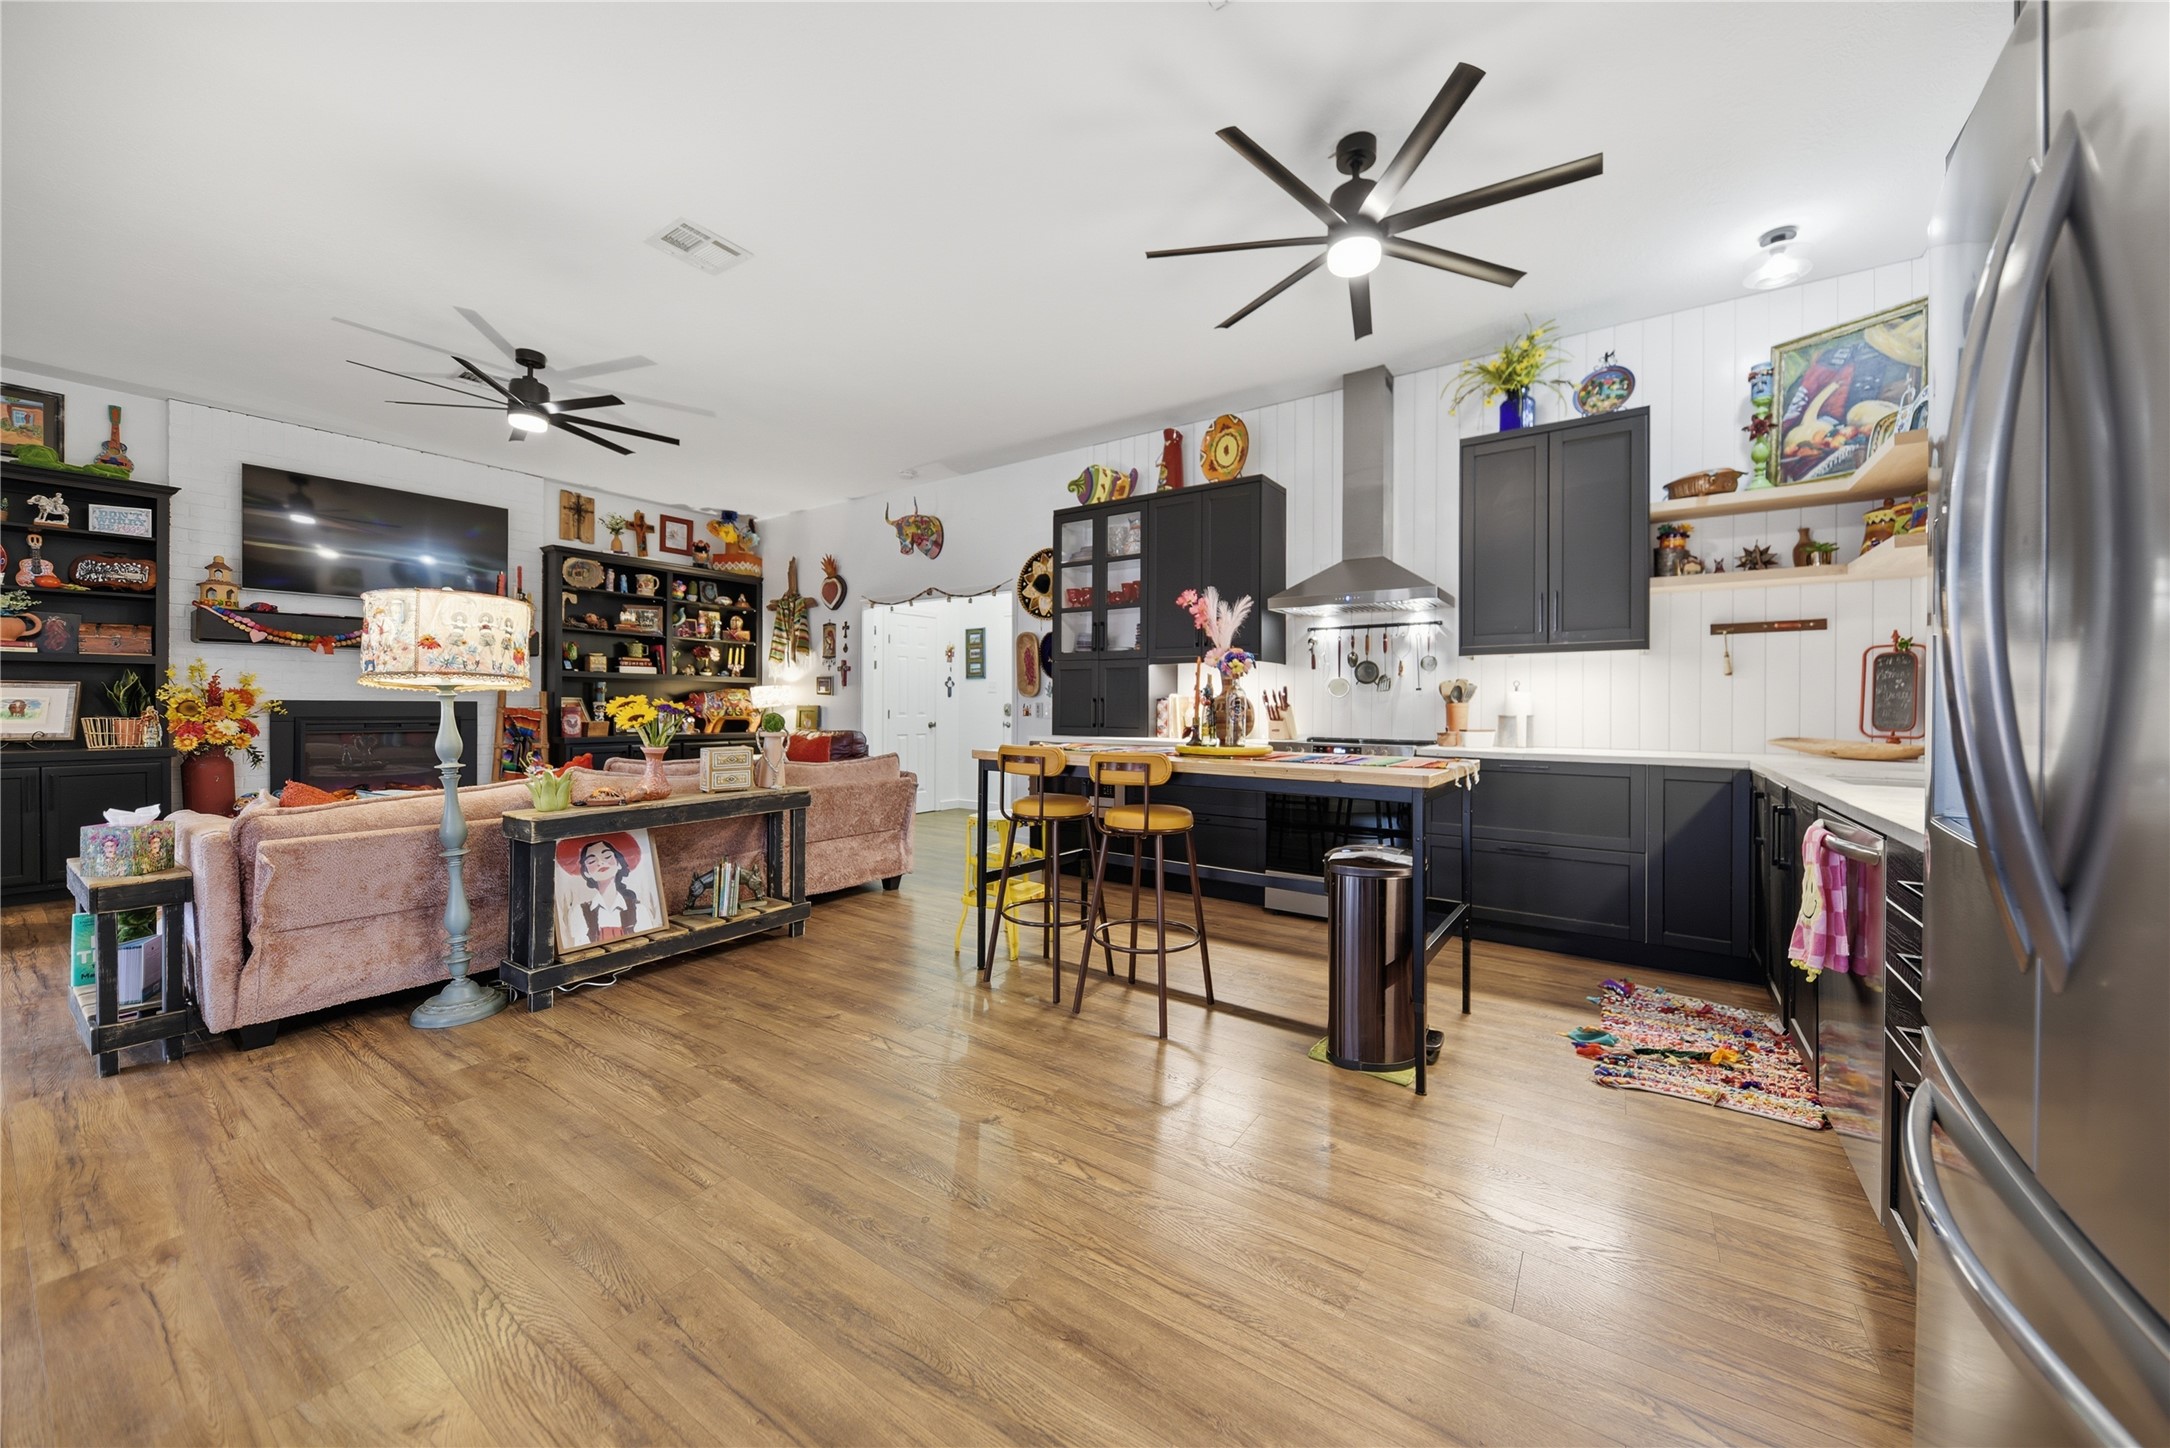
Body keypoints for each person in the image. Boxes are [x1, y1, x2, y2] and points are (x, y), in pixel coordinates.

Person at [573, 837, 645, 944]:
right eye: (592, 861)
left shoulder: (639, 909)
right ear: (586, 872)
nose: (600, 862)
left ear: (619, 863)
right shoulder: (580, 911)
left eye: (607, 856)